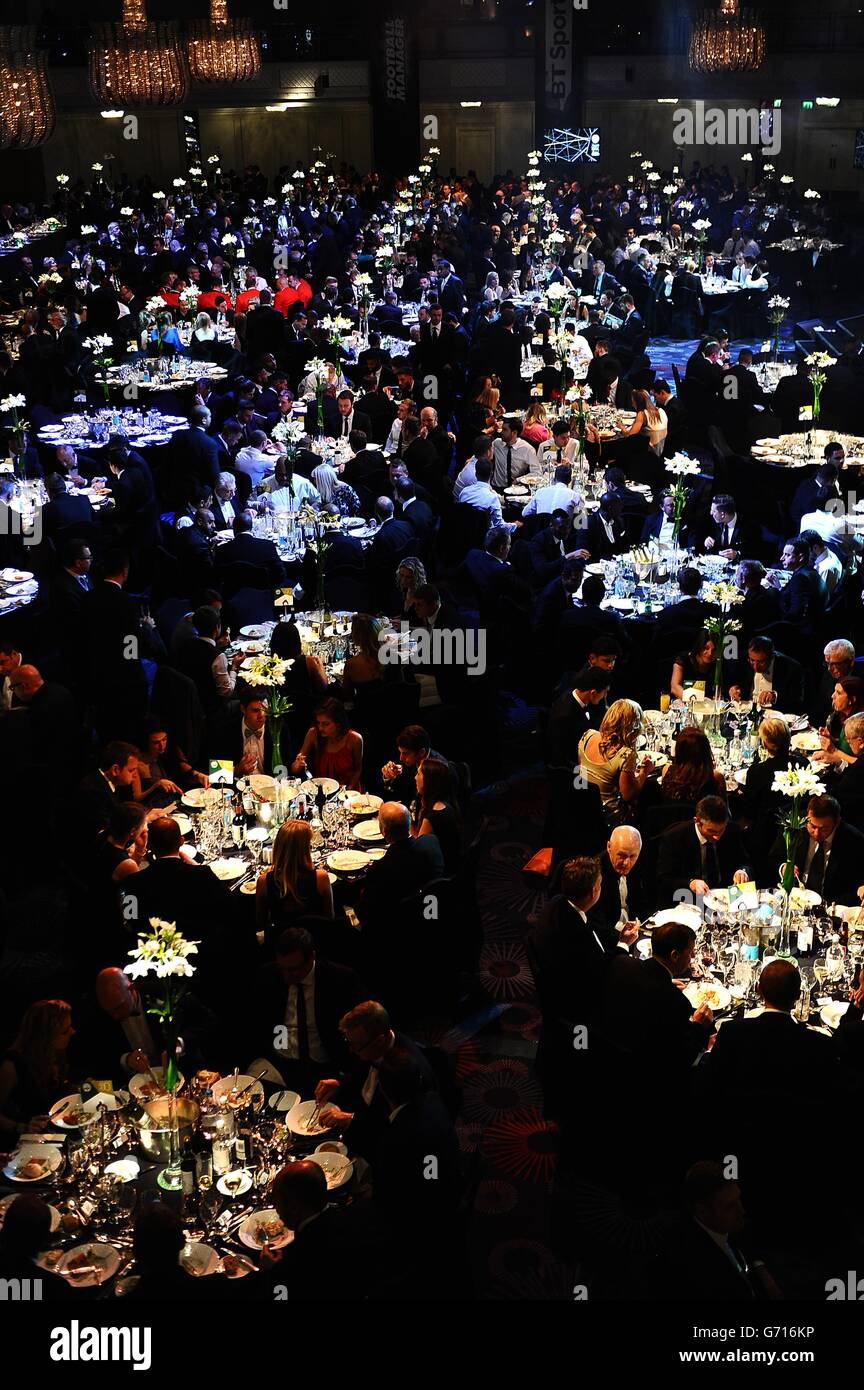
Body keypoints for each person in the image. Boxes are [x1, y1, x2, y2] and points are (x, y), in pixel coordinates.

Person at [357, 801, 444, 923]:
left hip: (398, 928)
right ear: (409, 825)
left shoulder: (381, 868)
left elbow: (364, 913)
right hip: (432, 915)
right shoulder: (432, 842)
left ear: (383, 831)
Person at [656, 796, 752, 904]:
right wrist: (690, 883)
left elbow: (745, 862)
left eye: (721, 830)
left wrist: (743, 870)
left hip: (727, 896)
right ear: (697, 821)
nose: (717, 837)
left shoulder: (731, 830)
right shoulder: (674, 837)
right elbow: (664, 879)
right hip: (690, 899)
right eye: (711, 831)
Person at [0, 1000, 74, 1139]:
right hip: (29, 1140)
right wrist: (20, 1127)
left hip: (55, 1130)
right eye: (65, 1031)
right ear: (46, 1037)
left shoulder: (54, 1052)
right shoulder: (11, 1066)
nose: (73, 1032)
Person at [769, 793, 864, 902]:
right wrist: (784, 868)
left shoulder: (853, 839)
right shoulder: (794, 827)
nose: (816, 834)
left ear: (837, 822)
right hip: (795, 897)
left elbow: (859, 876)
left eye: (824, 829)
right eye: (812, 826)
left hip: (832, 902)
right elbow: (774, 858)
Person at [256, 820, 334, 946]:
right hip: (316, 942)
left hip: (281, 946)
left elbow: (260, 923)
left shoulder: (264, 881)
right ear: (304, 850)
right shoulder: (321, 878)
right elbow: (329, 918)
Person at [577, 698, 654, 826]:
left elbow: (581, 774)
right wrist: (644, 772)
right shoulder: (625, 754)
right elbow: (628, 795)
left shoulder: (587, 735)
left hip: (583, 805)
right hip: (609, 816)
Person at [291, 698, 363, 790]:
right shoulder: (313, 734)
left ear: (338, 723)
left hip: (347, 790)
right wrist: (297, 764)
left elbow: (358, 770)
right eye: (318, 723)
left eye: (326, 724)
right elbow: (294, 769)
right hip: (322, 790)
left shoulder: (354, 739)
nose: (320, 728)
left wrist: (349, 790)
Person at [587, 826, 646, 936]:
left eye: (632, 856)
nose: (627, 863)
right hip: (610, 937)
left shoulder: (638, 864)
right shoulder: (594, 874)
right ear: (609, 847)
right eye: (621, 855)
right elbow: (598, 926)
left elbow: (640, 904)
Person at [727, 635, 805, 712]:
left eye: (761, 662)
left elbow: (797, 701)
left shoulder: (791, 668)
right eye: (752, 660)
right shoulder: (742, 659)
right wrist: (734, 689)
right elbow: (733, 683)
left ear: (771, 657)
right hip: (747, 711)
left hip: (774, 716)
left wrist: (775, 696)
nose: (755, 667)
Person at [413, 756, 462, 874]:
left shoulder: (433, 817)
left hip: (439, 874)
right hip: (450, 864)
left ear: (429, 781)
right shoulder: (446, 804)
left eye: (419, 774)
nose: (415, 777)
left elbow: (417, 851)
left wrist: (405, 821)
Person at [656, 727, 726, 805]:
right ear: (705, 752)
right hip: (701, 816)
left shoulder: (666, 770)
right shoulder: (716, 777)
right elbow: (725, 812)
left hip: (671, 817)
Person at [814, 676, 864, 767]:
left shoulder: (860, 724)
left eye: (838, 693)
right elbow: (846, 746)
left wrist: (834, 751)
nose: (832, 696)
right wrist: (831, 739)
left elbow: (860, 764)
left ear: (852, 699)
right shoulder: (843, 716)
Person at [670, 630, 718, 701]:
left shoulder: (717, 665)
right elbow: (674, 687)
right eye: (706, 648)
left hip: (707, 707)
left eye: (713, 650)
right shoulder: (684, 659)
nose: (710, 653)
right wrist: (696, 701)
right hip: (683, 706)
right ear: (699, 646)